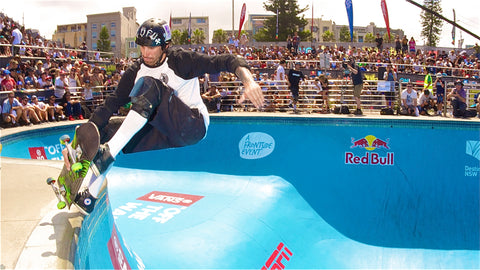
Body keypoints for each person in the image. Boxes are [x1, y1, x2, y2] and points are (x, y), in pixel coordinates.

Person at [63, 18, 264, 214]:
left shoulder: (181, 61)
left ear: (165, 46)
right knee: (105, 130)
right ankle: (89, 195)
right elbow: (112, 103)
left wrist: (248, 81)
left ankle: (106, 156)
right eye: (142, 47)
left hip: (192, 126)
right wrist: (82, 138)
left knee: (150, 85)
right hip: (162, 130)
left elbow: (226, 60)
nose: (146, 53)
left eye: (152, 47)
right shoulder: (136, 70)